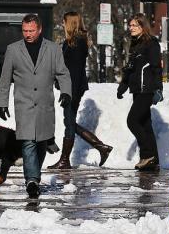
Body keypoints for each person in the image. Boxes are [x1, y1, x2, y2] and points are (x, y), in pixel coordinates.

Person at [0, 14, 72, 202]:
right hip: (24, 104)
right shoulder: (13, 50)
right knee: (28, 142)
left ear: (39, 30)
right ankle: (31, 181)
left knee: (41, 142)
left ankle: (34, 176)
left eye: (31, 31)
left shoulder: (53, 49)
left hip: (45, 104)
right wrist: (2, 102)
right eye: (25, 31)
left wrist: (66, 92)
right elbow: (5, 79)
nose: (28, 34)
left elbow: (63, 73)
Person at [48, 11, 112, 169]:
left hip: (72, 88)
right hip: (72, 87)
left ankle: (67, 160)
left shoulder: (75, 43)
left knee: (69, 124)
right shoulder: (75, 41)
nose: (62, 24)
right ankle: (100, 147)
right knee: (69, 122)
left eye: (63, 22)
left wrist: (68, 92)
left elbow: (75, 71)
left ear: (68, 23)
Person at [117, 13, 163, 171]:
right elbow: (131, 68)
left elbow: (157, 67)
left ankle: (147, 154)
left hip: (147, 89)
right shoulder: (134, 44)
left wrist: (158, 88)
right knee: (145, 124)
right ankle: (153, 159)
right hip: (137, 88)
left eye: (134, 25)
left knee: (132, 121)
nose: (131, 28)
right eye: (130, 26)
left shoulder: (151, 44)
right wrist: (123, 86)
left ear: (143, 27)